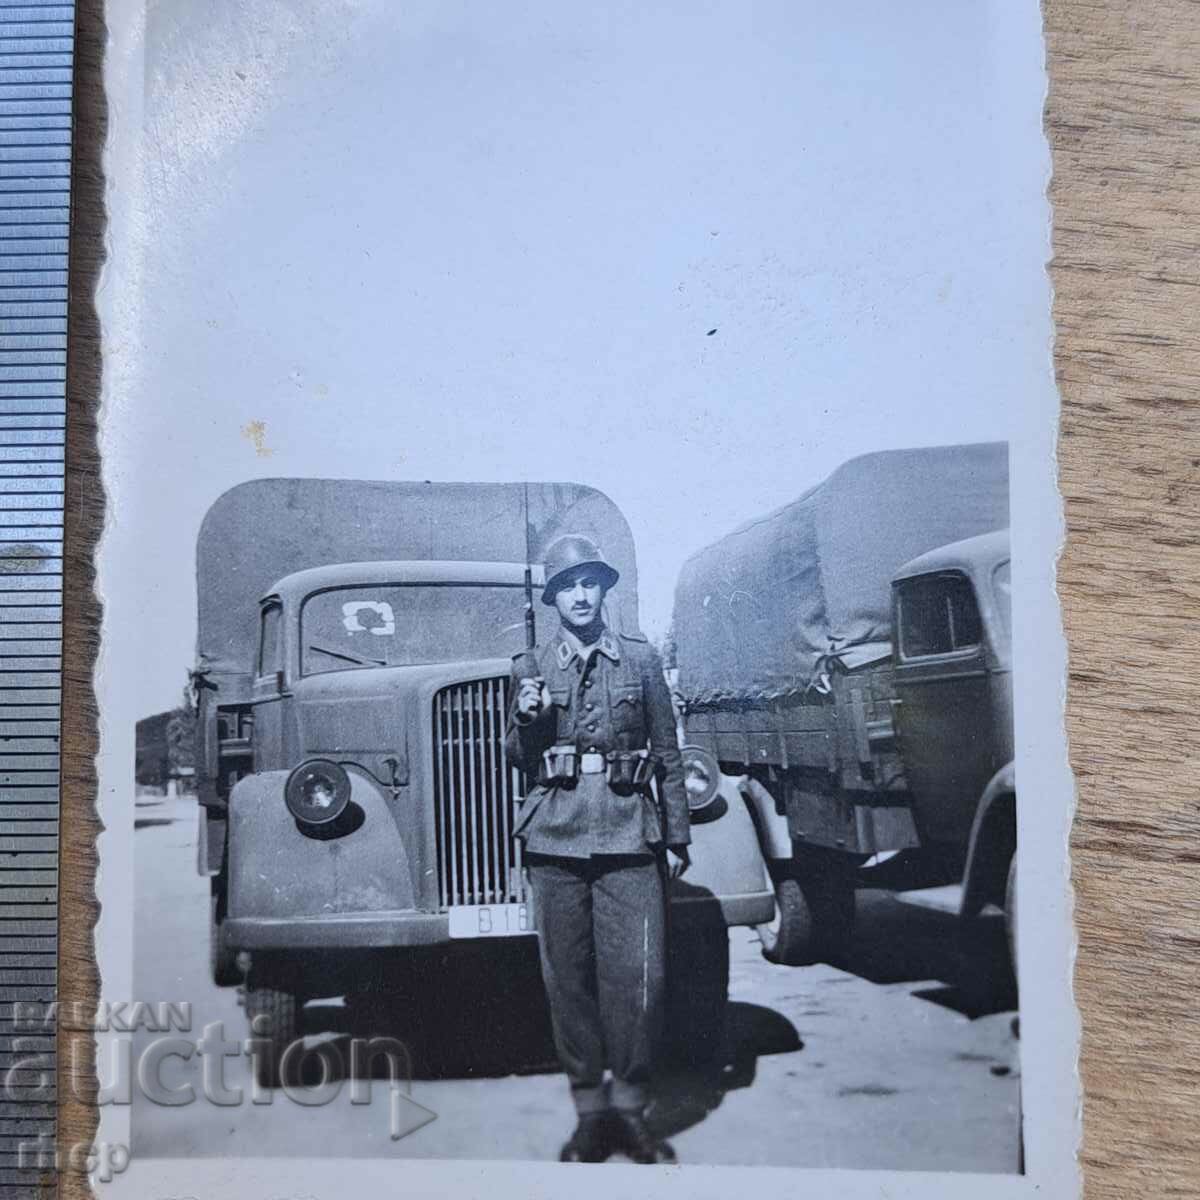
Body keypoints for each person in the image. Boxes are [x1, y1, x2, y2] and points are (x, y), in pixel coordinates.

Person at [505, 533, 691, 1164]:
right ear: (554, 597)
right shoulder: (530, 665)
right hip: (555, 836)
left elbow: (667, 751)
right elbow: (514, 757)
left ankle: (633, 1109)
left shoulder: (639, 659)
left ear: (604, 590)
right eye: (568, 587)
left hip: (628, 834)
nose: (581, 596)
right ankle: (589, 1112)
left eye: (591, 584)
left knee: (641, 978)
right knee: (569, 982)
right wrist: (528, 718)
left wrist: (678, 833)